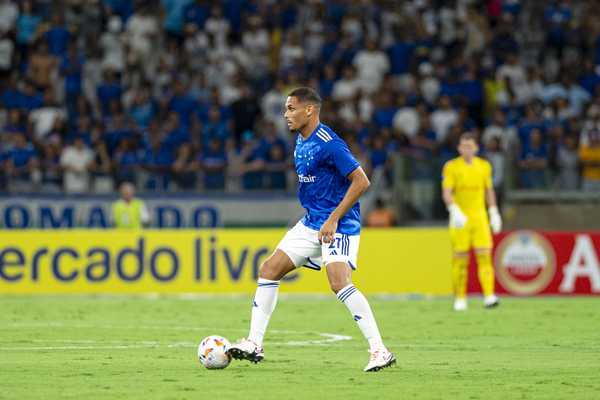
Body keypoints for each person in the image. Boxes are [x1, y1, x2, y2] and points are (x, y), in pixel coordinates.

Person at [227, 87, 395, 372]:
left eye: (291, 108)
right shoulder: (300, 141)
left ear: (310, 110)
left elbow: (361, 181)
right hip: (312, 222)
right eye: (285, 108)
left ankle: (380, 350)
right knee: (269, 270)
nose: (285, 114)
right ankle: (255, 343)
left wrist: (333, 219)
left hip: (338, 224)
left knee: (339, 282)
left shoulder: (329, 143)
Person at [442, 132, 502, 311]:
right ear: (459, 148)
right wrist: (454, 209)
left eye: (470, 146)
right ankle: (460, 298)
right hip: (460, 218)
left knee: (484, 256)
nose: (466, 149)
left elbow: (489, 190)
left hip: (479, 217)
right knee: (460, 259)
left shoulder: (484, 166)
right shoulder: (451, 166)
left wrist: (493, 211)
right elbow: (447, 192)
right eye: (463, 146)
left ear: (476, 148)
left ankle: (489, 296)